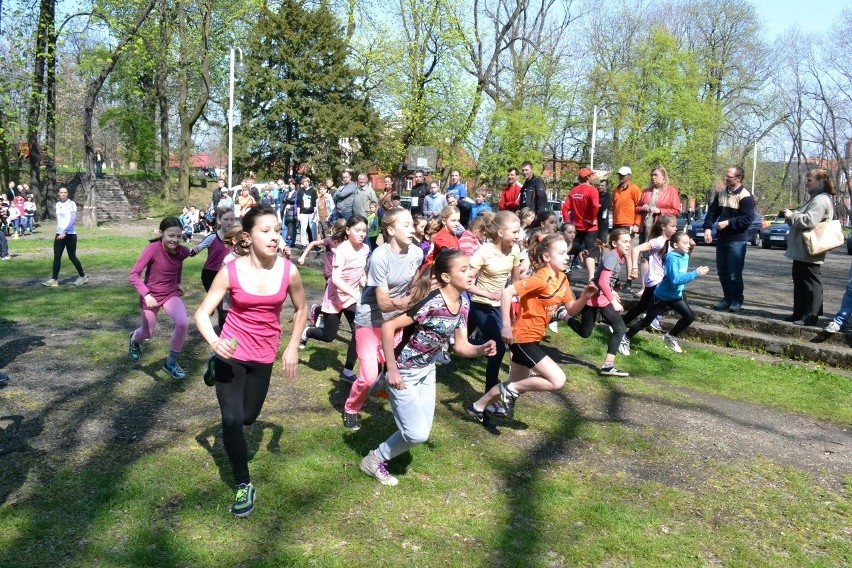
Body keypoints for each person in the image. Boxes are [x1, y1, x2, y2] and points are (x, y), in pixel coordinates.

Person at [194, 204, 307, 517]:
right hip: (230, 350)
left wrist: (292, 346)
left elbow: (301, 309)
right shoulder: (230, 270)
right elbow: (203, 313)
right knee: (231, 420)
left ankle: (214, 368)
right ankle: (243, 484)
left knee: (247, 418)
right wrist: (215, 342)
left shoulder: (289, 271)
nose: (274, 237)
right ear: (248, 236)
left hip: (264, 353)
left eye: (277, 231)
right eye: (266, 231)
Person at [360, 249, 497, 485]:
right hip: (403, 370)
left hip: (427, 371)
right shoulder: (432, 302)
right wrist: (392, 369)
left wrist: (481, 349)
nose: (470, 274)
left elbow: (462, 346)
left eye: (470, 269)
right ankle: (373, 459)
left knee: (421, 430)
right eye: (463, 270)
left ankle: (386, 396)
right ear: (446, 277)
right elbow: (388, 326)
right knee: (417, 434)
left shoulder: (463, 303)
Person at [466, 234, 597, 422]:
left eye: (566, 253)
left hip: (533, 338)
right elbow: (507, 291)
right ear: (546, 257)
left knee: (514, 383)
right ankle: (509, 392)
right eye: (561, 253)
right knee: (557, 380)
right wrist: (506, 326)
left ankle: (477, 407)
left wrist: (584, 297)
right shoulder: (540, 279)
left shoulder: (562, 279)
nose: (566, 257)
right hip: (522, 338)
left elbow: (571, 309)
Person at [343, 207, 423, 430]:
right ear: (390, 229)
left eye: (412, 224)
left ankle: (396, 401)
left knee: (387, 367)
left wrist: (418, 297)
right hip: (370, 321)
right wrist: (413, 303)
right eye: (405, 225)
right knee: (369, 376)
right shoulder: (379, 257)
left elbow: (415, 285)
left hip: (394, 322)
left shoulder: (416, 253)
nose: (412, 229)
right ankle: (351, 408)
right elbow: (384, 302)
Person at [300, 215, 369, 384]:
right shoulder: (342, 249)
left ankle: (347, 370)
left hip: (351, 297)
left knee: (358, 331)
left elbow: (360, 270)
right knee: (329, 336)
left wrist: (363, 280)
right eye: (357, 230)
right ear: (347, 230)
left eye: (364, 231)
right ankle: (308, 332)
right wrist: (355, 294)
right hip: (334, 296)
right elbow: (336, 279)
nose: (361, 234)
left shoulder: (365, 249)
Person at [620, 231, 709, 354]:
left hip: (675, 296)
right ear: (675, 245)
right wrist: (695, 273)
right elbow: (675, 280)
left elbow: (681, 276)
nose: (688, 245)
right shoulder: (671, 259)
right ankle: (625, 338)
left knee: (689, 317)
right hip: (661, 297)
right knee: (646, 321)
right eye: (685, 243)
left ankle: (670, 336)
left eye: (689, 242)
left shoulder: (685, 256)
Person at [467, 211, 521, 407]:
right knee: (497, 347)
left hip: (501, 304)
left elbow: (516, 282)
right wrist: (488, 294)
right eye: (514, 232)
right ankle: (490, 396)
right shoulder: (484, 251)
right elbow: (466, 282)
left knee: (464, 339)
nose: (517, 236)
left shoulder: (515, 250)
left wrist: (520, 301)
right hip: (481, 303)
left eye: (519, 232)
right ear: (500, 232)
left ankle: (453, 344)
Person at [128, 217, 191, 379]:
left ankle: (170, 363)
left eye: (178, 236)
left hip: (170, 293)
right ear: (161, 233)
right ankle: (134, 339)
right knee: (148, 333)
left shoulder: (182, 251)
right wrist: (146, 294)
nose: (175, 240)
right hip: (151, 295)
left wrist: (178, 283)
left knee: (183, 322)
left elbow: (178, 264)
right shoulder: (153, 249)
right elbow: (134, 275)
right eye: (171, 236)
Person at [564, 228, 633, 377]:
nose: (628, 245)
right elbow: (601, 281)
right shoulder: (612, 257)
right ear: (614, 243)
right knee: (616, 328)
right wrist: (613, 300)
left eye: (629, 242)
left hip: (600, 296)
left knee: (586, 332)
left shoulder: (618, 256)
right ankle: (608, 366)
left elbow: (606, 281)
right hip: (595, 296)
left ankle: (608, 365)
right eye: (625, 241)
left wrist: (614, 290)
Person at [782, 168, 836, 326]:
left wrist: (792, 216)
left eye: (809, 180)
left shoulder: (820, 200)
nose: (806, 183)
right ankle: (799, 313)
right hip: (803, 248)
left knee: (810, 282)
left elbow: (810, 221)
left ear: (820, 182)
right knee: (800, 280)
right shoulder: (816, 198)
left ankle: (811, 316)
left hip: (811, 247)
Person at [703, 165, 755, 313]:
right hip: (722, 239)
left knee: (734, 273)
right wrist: (707, 228)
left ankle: (737, 300)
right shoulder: (722, 194)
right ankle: (727, 298)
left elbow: (747, 219)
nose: (726, 178)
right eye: (726, 176)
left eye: (729, 177)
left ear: (738, 178)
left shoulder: (745, 196)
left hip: (737, 240)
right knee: (722, 271)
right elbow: (712, 213)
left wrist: (728, 223)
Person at [621, 214, 679, 335]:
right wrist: (634, 268)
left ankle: (620, 323)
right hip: (655, 280)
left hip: (661, 280)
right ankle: (653, 315)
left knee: (641, 306)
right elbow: (636, 249)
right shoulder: (658, 242)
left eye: (676, 226)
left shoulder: (672, 243)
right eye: (672, 226)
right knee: (679, 297)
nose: (675, 229)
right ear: (663, 227)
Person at [190, 207, 238, 329]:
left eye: (232, 219)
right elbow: (198, 247)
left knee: (226, 305)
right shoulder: (212, 237)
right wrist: (194, 250)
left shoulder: (237, 238)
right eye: (226, 219)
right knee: (221, 305)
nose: (229, 222)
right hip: (210, 274)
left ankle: (224, 326)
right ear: (219, 221)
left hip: (228, 274)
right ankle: (222, 330)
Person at [42, 187, 88, 287]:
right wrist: (61, 232)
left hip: (70, 234)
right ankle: (54, 279)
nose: (63, 194)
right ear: (58, 193)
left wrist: (65, 232)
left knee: (72, 256)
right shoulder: (58, 204)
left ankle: (82, 276)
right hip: (59, 233)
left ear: (67, 194)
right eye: (61, 192)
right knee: (57, 256)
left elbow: (72, 220)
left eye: (65, 192)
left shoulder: (71, 204)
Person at [637, 166, 681, 241]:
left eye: (656, 175)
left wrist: (660, 210)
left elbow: (676, 211)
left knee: (660, 252)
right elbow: (636, 208)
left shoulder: (672, 191)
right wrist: (642, 207)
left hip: (662, 229)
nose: (653, 177)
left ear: (663, 176)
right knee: (644, 251)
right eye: (652, 175)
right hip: (645, 229)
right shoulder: (646, 191)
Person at [562, 168, 600, 252]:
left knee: (575, 252)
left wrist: (568, 224)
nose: (594, 177)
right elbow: (595, 205)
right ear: (588, 177)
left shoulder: (573, 191)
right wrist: (591, 219)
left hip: (576, 228)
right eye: (592, 175)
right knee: (591, 254)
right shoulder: (592, 190)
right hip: (590, 228)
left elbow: (564, 209)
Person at [297, 176, 317, 246]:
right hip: (303, 212)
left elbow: (315, 203)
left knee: (313, 228)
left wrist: (315, 213)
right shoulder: (300, 191)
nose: (305, 183)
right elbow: (298, 203)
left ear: (309, 182)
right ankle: (304, 243)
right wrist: (298, 214)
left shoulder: (313, 191)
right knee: (303, 228)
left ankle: (315, 243)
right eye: (304, 182)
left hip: (311, 212)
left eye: (307, 182)